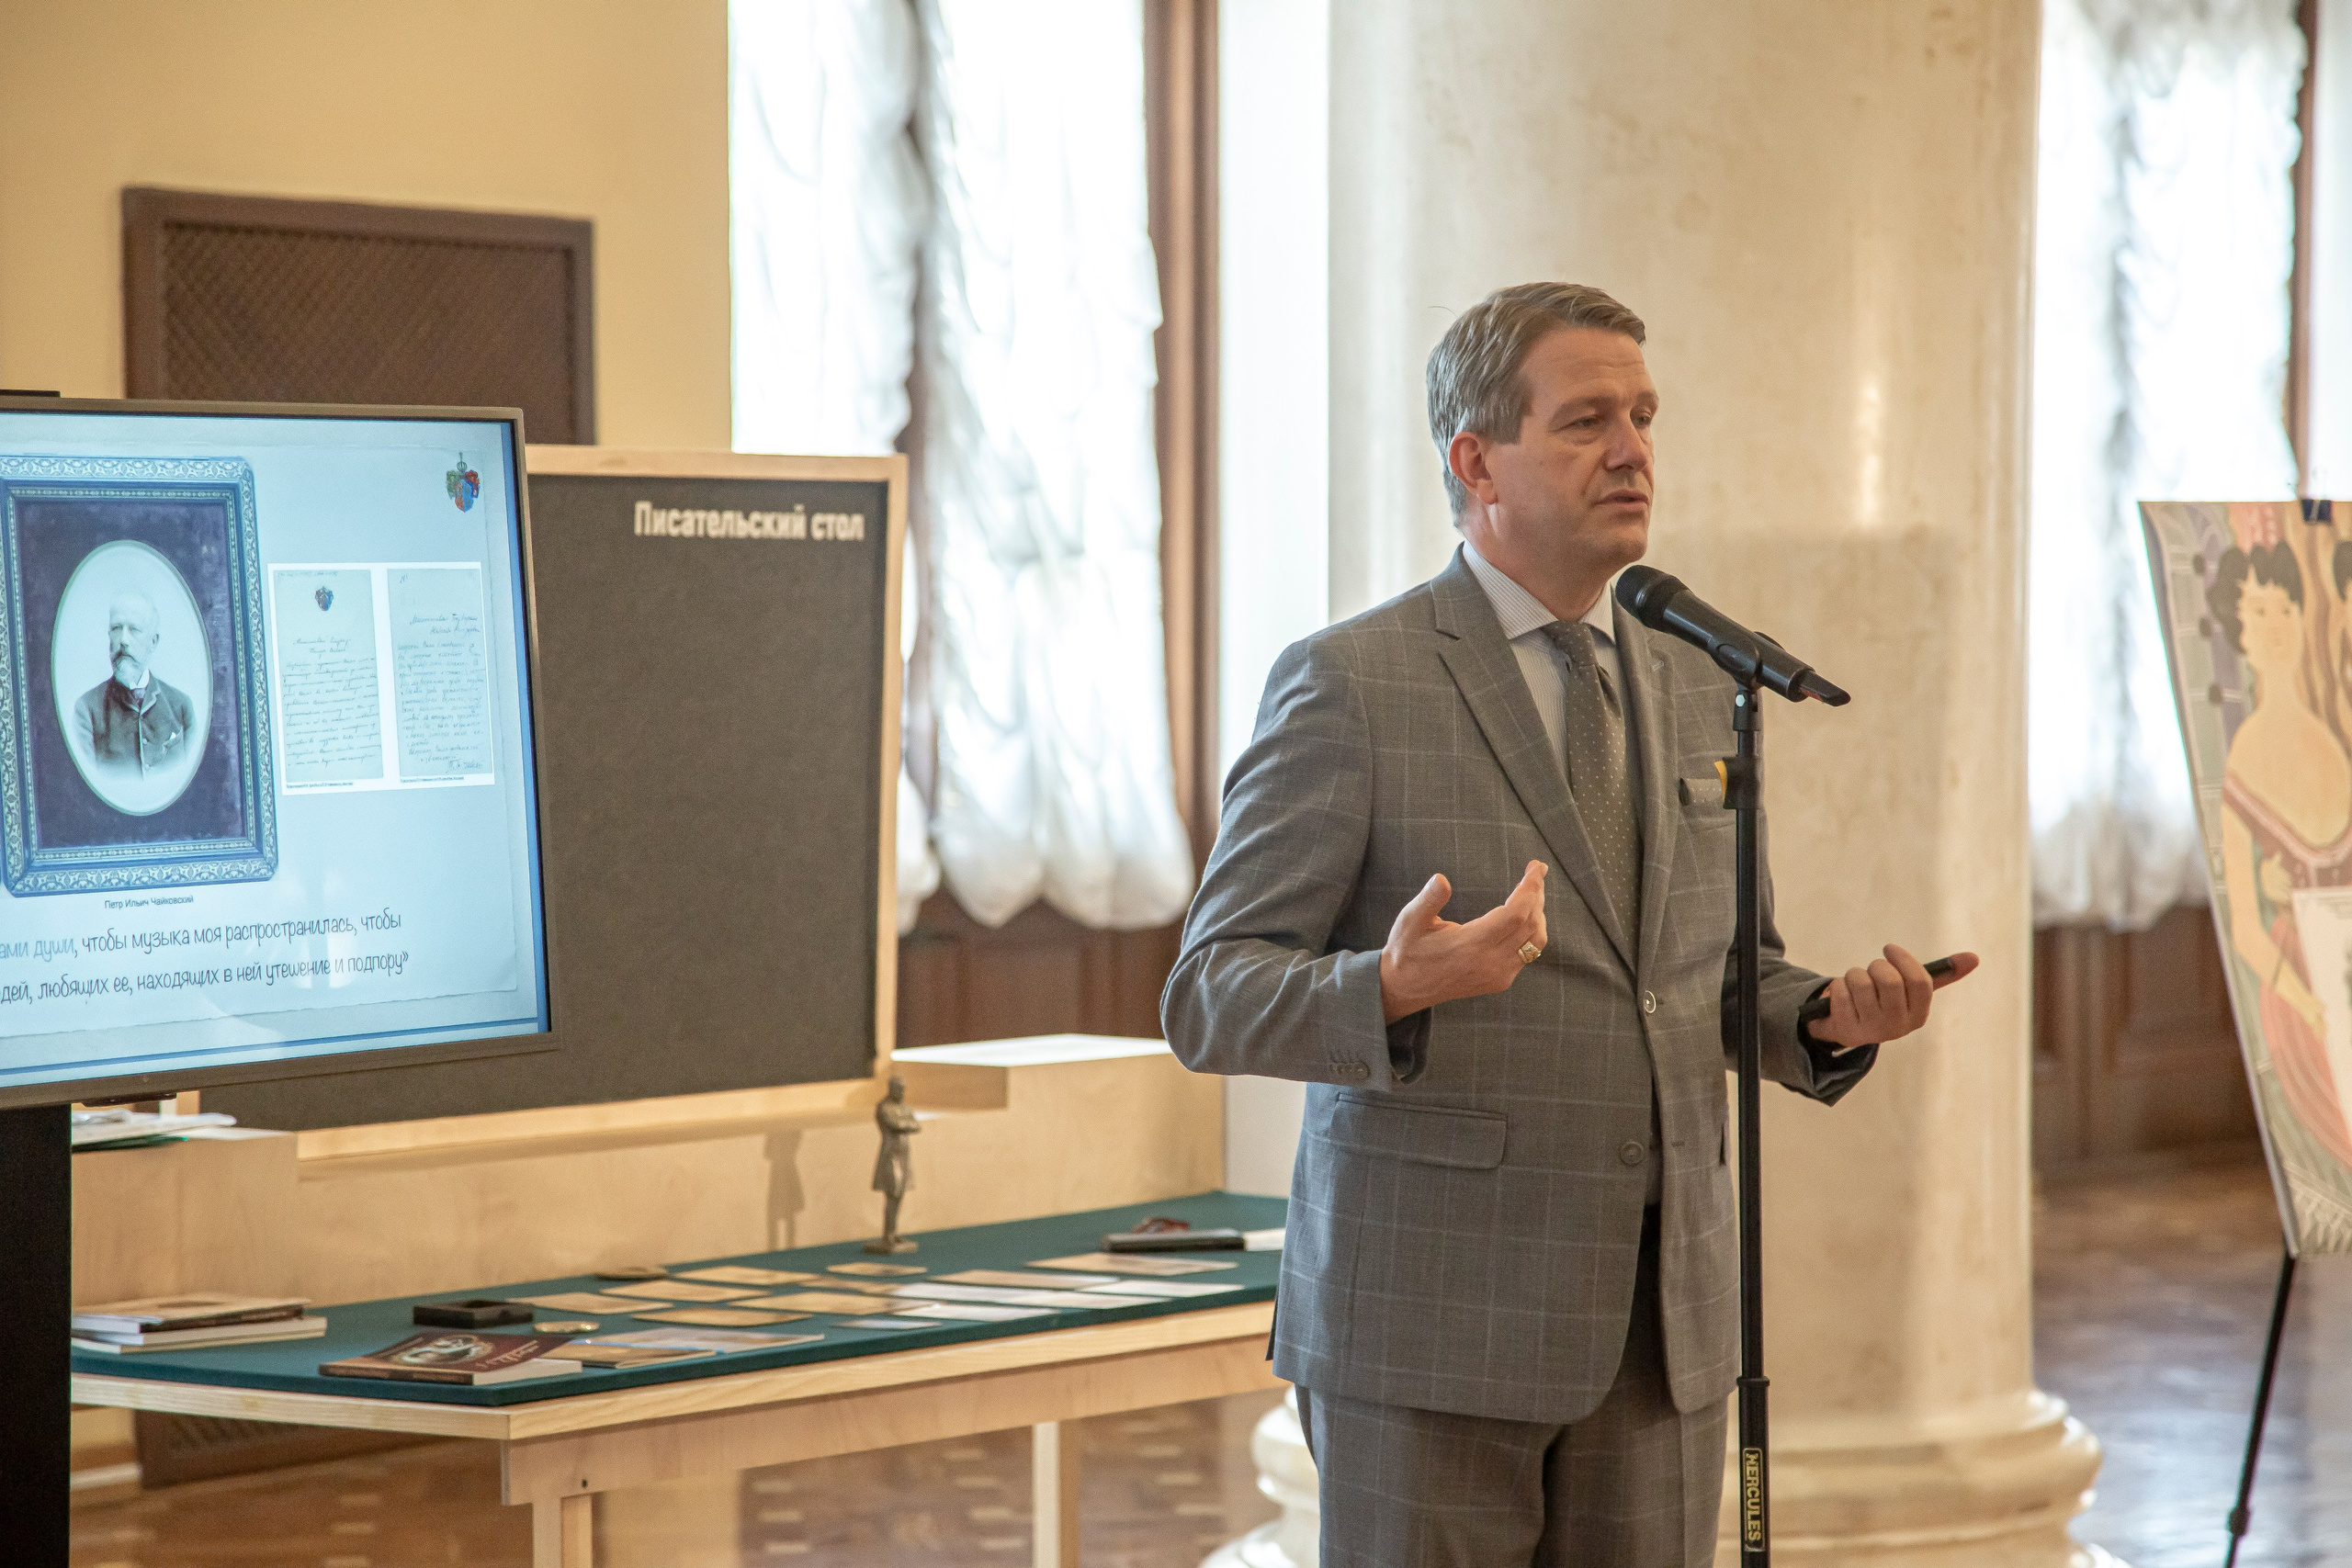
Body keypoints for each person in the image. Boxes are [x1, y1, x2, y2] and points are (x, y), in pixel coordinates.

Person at [1161, 282, 1976, 1567]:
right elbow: (1209, 988)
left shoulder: (1701, 676)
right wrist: (1385, 983)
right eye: (1587, 418)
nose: (1633, 448)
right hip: (1430, 1328)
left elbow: (1717, 974)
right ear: (1475, 461)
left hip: (1662, 1329)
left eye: (1644, 415)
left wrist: (1819, 1014)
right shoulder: (1352, 681)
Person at [2209, 537, 2352, 1168]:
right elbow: (2246, 925)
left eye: (2283, 610)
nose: (2274, 628)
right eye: (2257, 613)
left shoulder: (2334, 729)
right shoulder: (2245, 752)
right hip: (2304, 988)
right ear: (2239, 631)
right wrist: (2310, 1003)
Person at [70, 590, 194, 778]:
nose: (123, 640)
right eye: (116, 628)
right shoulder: (86, 710)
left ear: (153, 641)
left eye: (134, 630)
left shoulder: (181, 706)